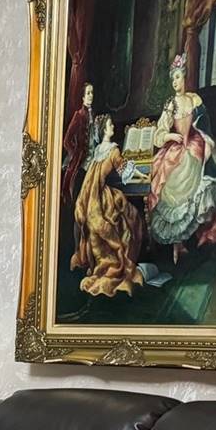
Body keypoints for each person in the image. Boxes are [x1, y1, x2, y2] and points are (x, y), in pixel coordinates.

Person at [147, 53, 216, 261]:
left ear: (185, 78)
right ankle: (178, 243)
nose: (175, 82)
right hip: (175, 148)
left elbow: (204, 126)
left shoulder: (194, 100)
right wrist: (171, 135)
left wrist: (199, 142)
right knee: (167, 175)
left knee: (189, 166)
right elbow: (159, 134)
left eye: (178, 77)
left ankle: (195, 237)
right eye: (172, 79)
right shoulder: (170, 104)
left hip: (193, 146)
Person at [70, 114, 144, 297]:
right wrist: (143, 176)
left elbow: (90, 180)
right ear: (104, 129)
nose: (113, 127)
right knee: (131, 216)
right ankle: (119, 261)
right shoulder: (113, 150)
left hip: (93, 199)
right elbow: (125, 169)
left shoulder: (97, 151)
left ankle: (101, 262)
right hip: (103, 198)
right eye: (111, 125)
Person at [61, 81, 96, 211]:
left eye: (92, 93)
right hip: (81, 161)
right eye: (88, 93)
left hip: (93, 157)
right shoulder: (79, 115)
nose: (91, 96)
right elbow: (67, 140)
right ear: (82, 97)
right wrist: (74, 153)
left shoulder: (93, 114)